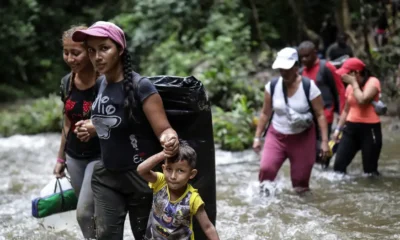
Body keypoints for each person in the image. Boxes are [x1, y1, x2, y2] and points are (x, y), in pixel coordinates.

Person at [72, 21, 179, 240]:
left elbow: (164, 129)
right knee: (105, 236)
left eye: (104, 48)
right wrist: (92, 128)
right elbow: (113, 120)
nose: (97, 57)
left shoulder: (142, 86)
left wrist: (169, 138)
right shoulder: (101, 84)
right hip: (107, 176)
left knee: (146, 237)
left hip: (141, 178)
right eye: (91, 51)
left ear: (120, 50)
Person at [253, 47, 330, 194]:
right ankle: (264, 206)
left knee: (300, 184)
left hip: (303, 138)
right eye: (281, 69)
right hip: (277, 135)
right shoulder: (272, 87)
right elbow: (265, 113)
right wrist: (257, 137)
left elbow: (320, 114)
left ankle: (299, 212)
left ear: (296, 67)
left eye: (287, 68)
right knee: (266, 170)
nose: (284, 72)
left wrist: (325, 142)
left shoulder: (309, 87)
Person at [53, 25, 102, 239]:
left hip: (100, 155)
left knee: (84, 213)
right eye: (66, 52)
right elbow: (66, 124)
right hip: (74, 157)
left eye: (76, 53)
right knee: (89, 214)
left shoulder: (105, 82)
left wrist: (95, 126)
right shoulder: (67, 82)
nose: (70, 58)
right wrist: (60, 158)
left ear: (90, 51)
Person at [137, 141, 220, 240]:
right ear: (163, 169)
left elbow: (208, 227)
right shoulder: (161, 182)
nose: (173, 176)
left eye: (180, 171)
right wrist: (164, 154)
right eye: (169, 169)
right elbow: (141, 170)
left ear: (191, 174)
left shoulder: (193, 198)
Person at [298, 40, 346, 168]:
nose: (304, 59)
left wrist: (341, 114)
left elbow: (339, 90)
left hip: (326, 114)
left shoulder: (326, 67)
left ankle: (324, 168)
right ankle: (320, 168)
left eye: (307, 56)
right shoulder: (301, 72)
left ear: (315, 53)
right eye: (301, 57)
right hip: (307, 116)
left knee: (322, 145)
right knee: (310, 147)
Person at [333, 58, 382, 176]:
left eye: (347, 73)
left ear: (356, 73)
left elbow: (362, 100)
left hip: (370, 130)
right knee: (338, 166)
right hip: (350, 129)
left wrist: (354, 83)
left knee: (370, 172)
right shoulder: (350, 87)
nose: (343, 75)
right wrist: (337, 129)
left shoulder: (373, 82)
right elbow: (346, 110)